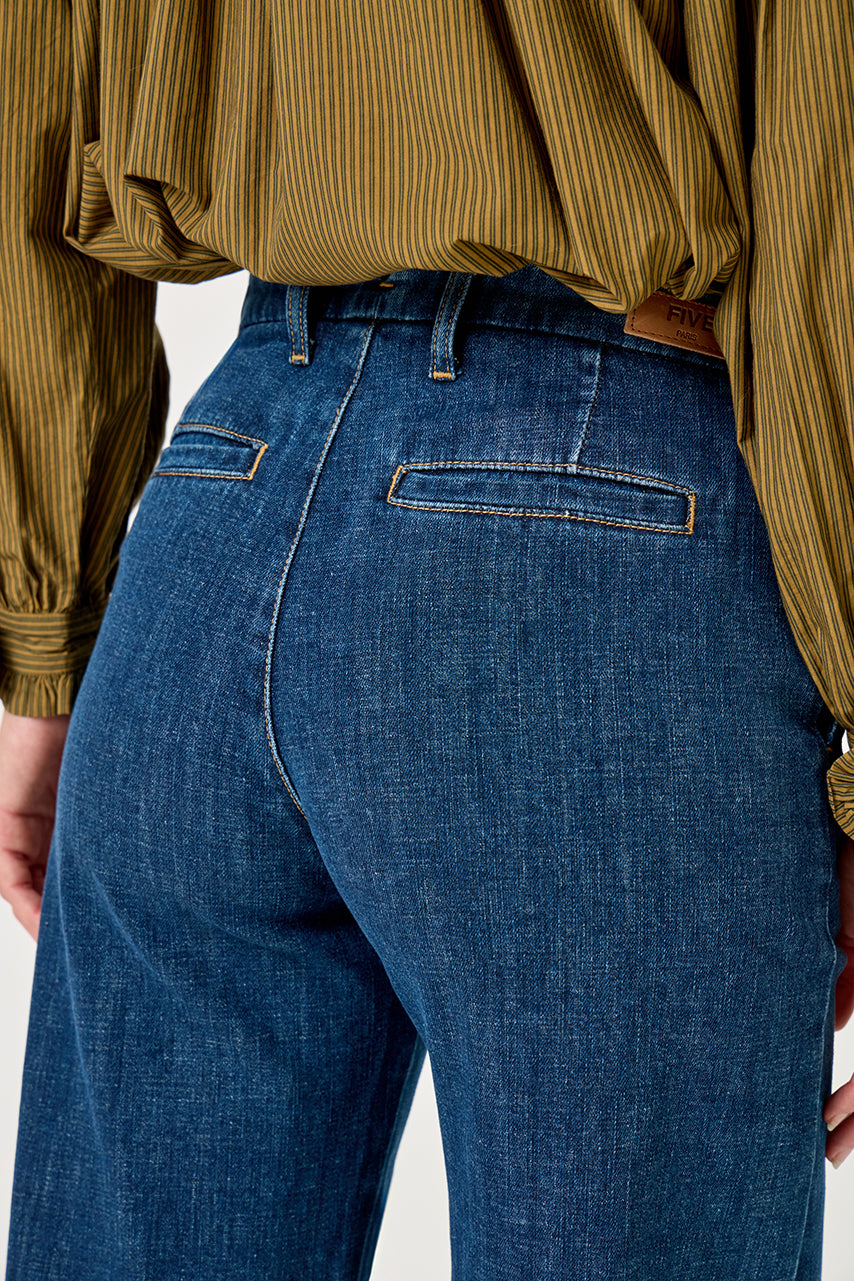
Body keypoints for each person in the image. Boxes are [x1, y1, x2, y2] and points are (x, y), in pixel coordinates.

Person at [1, 3, 854, 1278]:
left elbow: (31, 114)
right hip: (602, 512)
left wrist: (46, 647)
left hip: (221, 502)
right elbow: (829, 168)